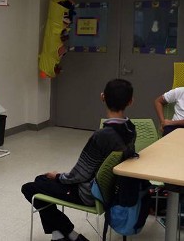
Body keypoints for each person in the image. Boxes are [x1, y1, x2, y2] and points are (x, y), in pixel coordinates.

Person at [21, 79, 137, 241]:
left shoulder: (102, 136)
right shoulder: (130, 128)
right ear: (130, 101)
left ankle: (70, 235)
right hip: (112, 190)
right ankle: (59, 235)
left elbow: (79, 174)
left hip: (90, 193)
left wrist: (58, 176)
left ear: (102, 97)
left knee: (32, 186)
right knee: (41, 183)